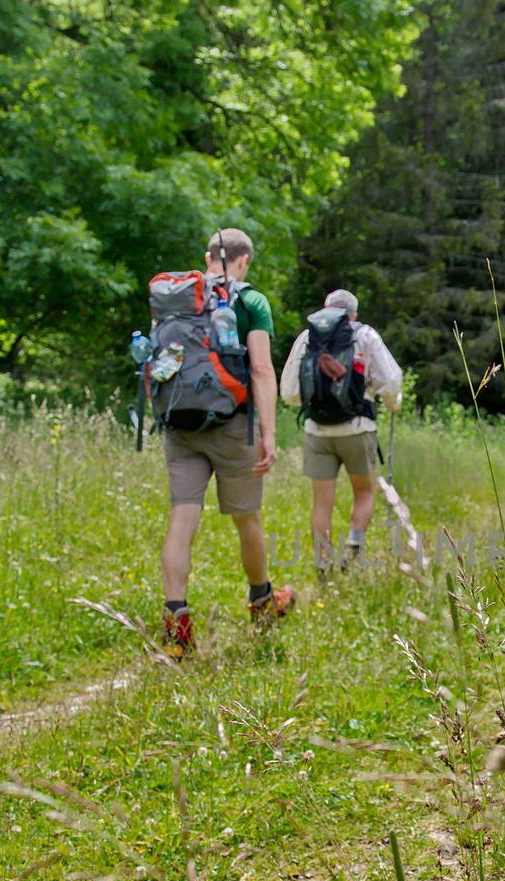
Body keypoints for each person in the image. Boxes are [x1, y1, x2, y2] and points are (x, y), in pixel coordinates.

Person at [158, 229, 295, 656]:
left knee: (182, 519)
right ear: (244, 260)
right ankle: (262, 602)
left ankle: (177, 629)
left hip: (179, 424)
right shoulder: (250, 301)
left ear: (208, 257)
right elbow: (260, 370)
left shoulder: (175, 297)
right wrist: (269, 434)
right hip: (233, 424)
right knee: (247, 518)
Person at [280, 288, 402, 569]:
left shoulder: (307, 337)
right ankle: (353, 548)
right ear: (353, 313)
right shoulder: (365, 335)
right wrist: (392, 403)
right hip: (358, 428)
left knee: (321, 502)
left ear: (326, 309)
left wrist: (315, 403)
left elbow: (288, 392)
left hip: (317, 431)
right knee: (365, 492)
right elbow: (391, 382)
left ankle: (323, 564)